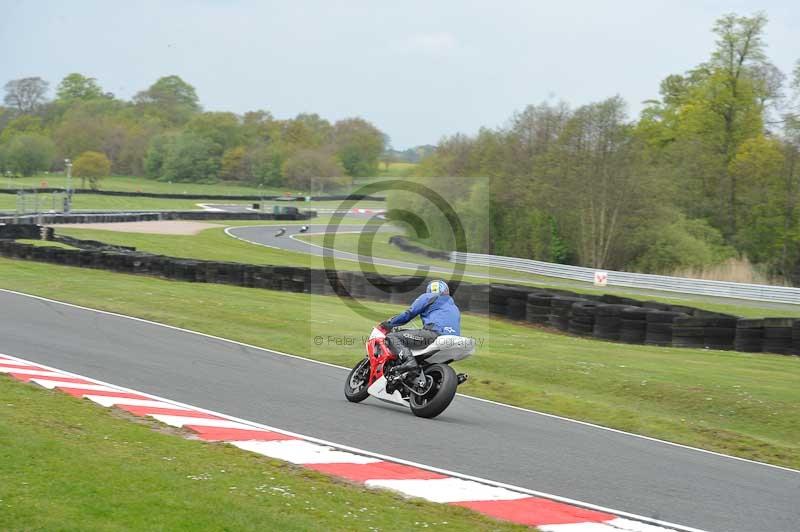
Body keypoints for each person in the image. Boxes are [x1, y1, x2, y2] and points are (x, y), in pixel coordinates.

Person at [381, 280, 461, 372]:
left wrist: (389, 323)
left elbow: (409, 314)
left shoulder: (428, 297)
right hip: (454, 339)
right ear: (445, 290)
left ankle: (409, 361)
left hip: (434, 334)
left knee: (392, 337)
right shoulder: (454, 307)